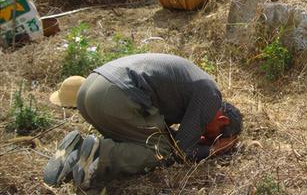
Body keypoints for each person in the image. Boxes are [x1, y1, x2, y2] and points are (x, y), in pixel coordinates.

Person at [43, 53, 242, 189]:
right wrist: (213, 150)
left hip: (90, 89)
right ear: (222, 119)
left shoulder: (198, 85)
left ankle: (77, 153)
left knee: (146, 140)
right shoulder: (210, 96)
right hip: (115, 95)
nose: (204, 137)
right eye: (212, 135)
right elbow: (182, 151)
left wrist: (201, 143)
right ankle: (99, 154)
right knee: (160, 151)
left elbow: (169, 135)